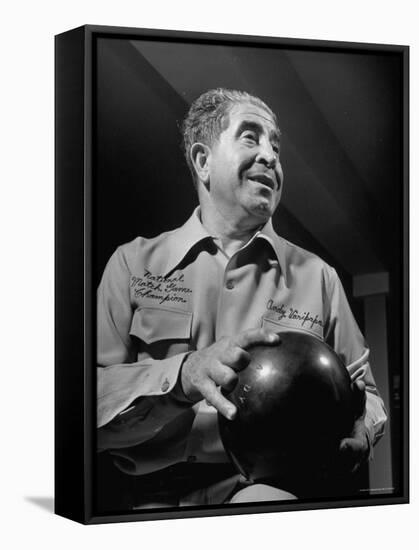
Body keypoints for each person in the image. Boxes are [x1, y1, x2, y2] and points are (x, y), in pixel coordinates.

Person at [96, 88, 387, 510]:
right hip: (140, 499)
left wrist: (363, 428)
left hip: (264, 494)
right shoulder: (131, 263)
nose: (270, 155)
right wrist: (184, 374)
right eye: (251, 138)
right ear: (203, 161)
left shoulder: (319, 277)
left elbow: (370, 398)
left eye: (275, 146)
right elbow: (80, 404)